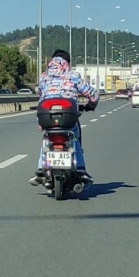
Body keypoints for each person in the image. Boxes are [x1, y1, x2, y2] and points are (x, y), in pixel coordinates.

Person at [29, 49, 99, 189]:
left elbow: (41, 97)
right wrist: (90, 105)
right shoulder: (73, 76)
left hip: (46, 115)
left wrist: (40, 121)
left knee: (46, 139)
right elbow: (93, 94)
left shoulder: (44, 77)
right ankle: (80, 168)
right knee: (75, 138)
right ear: (68, 63)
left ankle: (40, 170)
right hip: (68, 116)